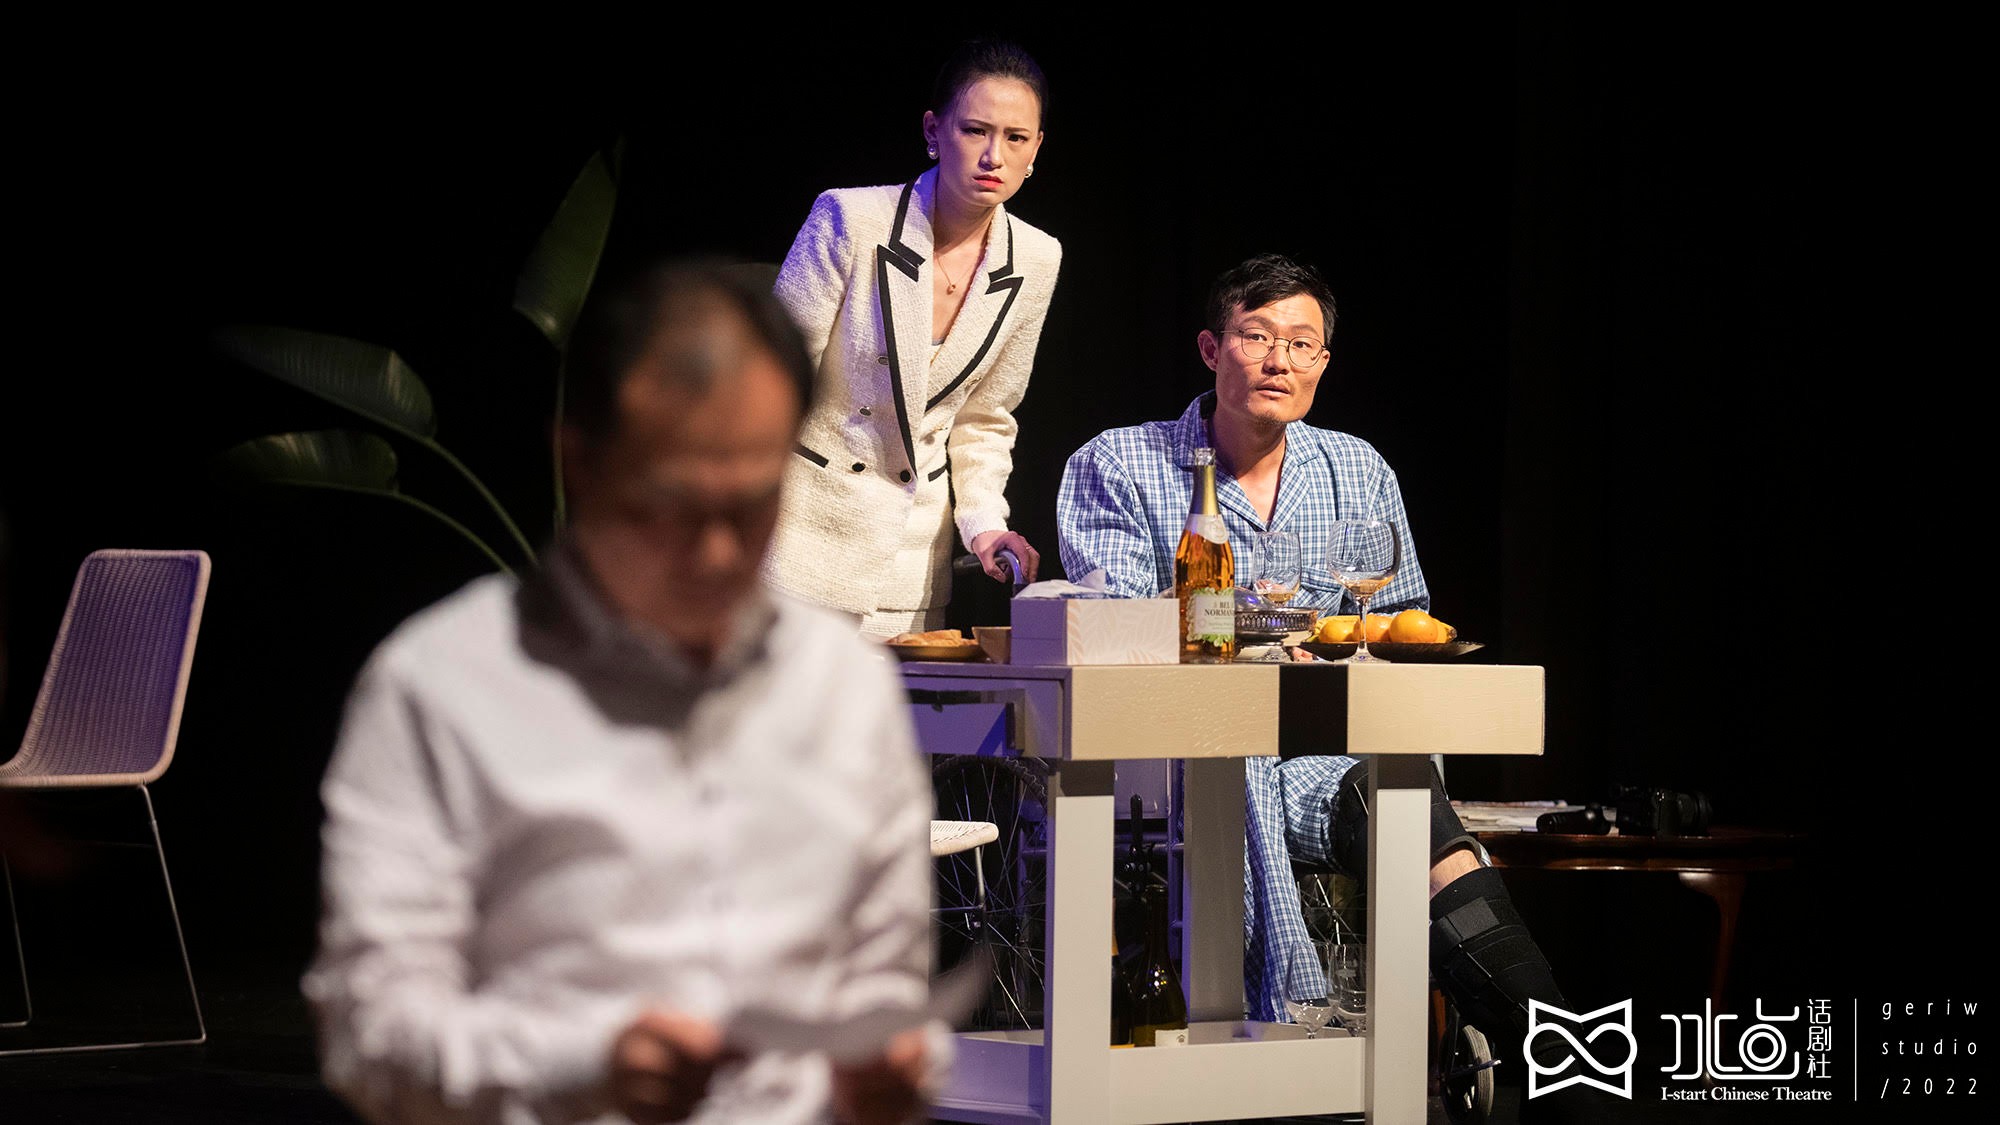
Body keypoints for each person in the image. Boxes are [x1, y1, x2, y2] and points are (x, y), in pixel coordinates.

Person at [304, 262, 939, 1125]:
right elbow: (368, 1031)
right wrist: (585, 1062)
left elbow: (887, 978)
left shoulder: (843, 683)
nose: (717, 553)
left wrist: (897, 1062)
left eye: (751, 507)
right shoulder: (443, 682)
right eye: (673, 508)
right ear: (583, 460)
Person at [1057, 253, 1576, 1102]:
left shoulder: (1357, 468)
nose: (1279, 361)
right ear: (1210, 348)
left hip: (1321, 754)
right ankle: (1288, 1028)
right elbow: (1118, 625)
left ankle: (1561, 1058)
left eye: (1302, 344)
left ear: (1324, 362)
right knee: (1247, 763)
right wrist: (1252, 641)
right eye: (1257, 337)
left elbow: (1403, 621)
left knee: (1399, 794)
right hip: (1171, 759)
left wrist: (1330, 652)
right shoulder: (1120, 462)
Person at [768, 39, 1060, 638]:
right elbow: (768, 382)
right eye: (975, 130)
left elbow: (986, 417)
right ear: (934, 130)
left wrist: (984, 523)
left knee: (894, 731)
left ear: (1035, 151)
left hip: (908, 560)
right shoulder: (851, 220)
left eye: (1015, 138)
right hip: (800, 540)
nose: (992, 156)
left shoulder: (1037, 257)